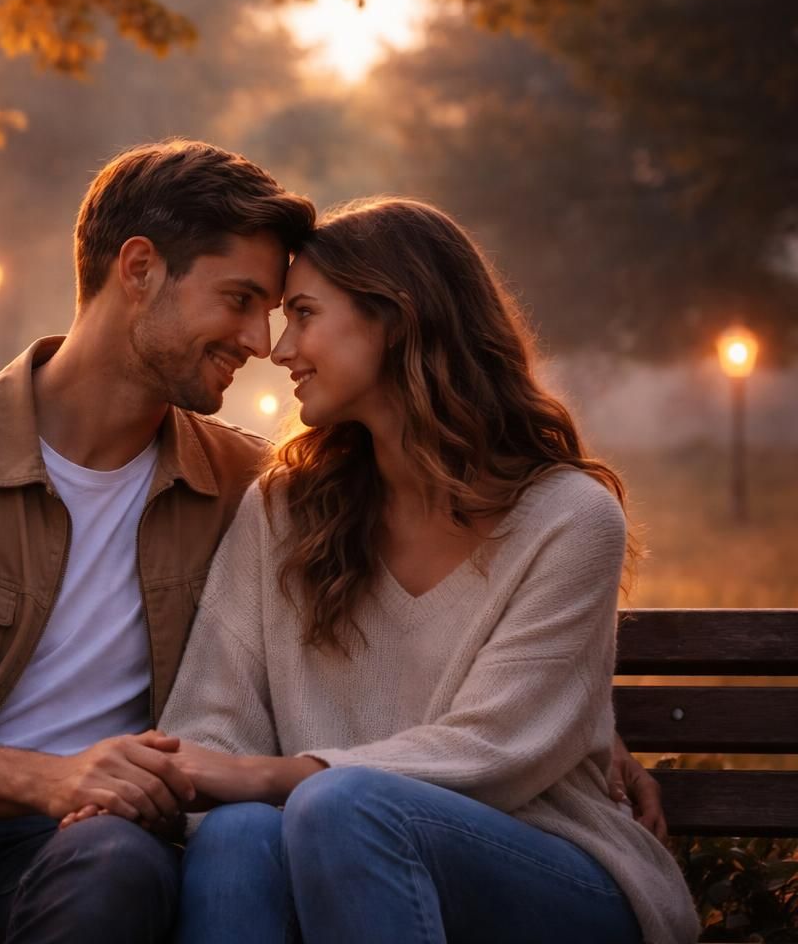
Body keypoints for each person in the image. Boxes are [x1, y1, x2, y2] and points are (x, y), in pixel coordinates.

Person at [0, 147, 666, 943]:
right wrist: (47, 777)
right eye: (246, 301)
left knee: (126, 863)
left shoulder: (250, 481)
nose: (265, 343)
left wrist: (568, 724)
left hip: (88, 854)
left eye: (288, 310)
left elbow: (481, 696)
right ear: (139, 271)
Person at [145, 198, 699, 943]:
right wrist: (214, 779)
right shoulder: (285, 510)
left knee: (340, 807)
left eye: (304, 314)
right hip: (338, 857)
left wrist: (279, 777)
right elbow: (212, 718)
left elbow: (496, 749)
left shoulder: (568, 518)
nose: (281, 350)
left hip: (556, 874)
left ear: (396, 317)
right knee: (238, 836)